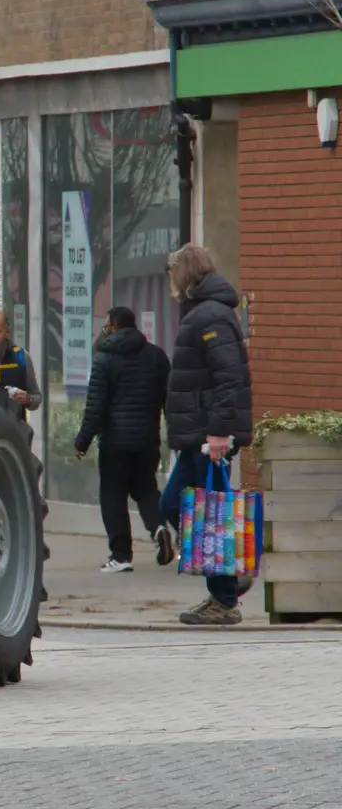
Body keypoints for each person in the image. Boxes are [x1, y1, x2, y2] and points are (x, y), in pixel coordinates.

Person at [160, 243, 253, 626]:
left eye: (171, 273)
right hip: (195, 435)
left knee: (211, 516)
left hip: (207, 437)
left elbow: (229, 378)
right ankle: (229, 576)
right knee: (173, 505)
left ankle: (225, 596)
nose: (169, 281)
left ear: (184, 273)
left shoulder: (210, 316)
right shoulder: (202, 312)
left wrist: (218, 434)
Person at [73, 306, 173, 573]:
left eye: (106, 327)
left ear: (114, 326)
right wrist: (173, 435)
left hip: (115, 443)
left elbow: (96, 406)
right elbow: (170, 401)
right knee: (145, 489)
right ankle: (158, 527)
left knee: (113, 495)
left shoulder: (104, 359)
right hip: (147, 440)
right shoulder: (157, 356)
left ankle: (121, 556)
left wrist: (82, 441)